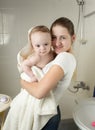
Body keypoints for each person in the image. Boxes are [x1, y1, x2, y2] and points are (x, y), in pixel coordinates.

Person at [20, 17, 76, 130]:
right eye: (54, 38)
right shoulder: (54, 57)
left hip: (46, 116)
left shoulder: (65, 57)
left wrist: (22, 81)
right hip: (47, 111)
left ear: (73, 38)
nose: (57, 43)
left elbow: (39, 92)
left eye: (63, 38)